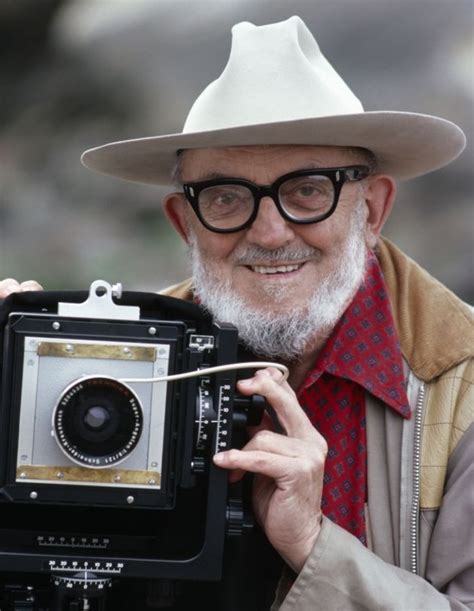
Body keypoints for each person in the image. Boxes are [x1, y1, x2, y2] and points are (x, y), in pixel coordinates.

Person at [1, 15, 473, 611]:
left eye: (308, 190)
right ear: (184, 223)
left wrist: (313, 544)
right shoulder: (103, 362)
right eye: (225, 197)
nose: (270, 232)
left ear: (371, 210)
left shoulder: (463, 387)